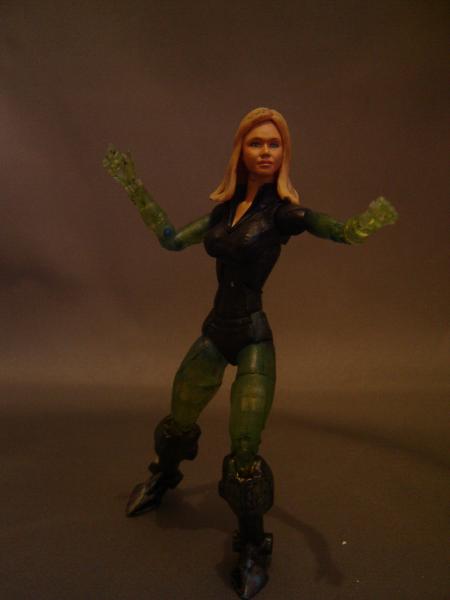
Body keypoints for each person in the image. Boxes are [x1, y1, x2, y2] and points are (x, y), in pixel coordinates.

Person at [103, 107, 398, 600]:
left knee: (245, 449)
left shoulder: (282, 214)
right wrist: (134, 187)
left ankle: (254, 543)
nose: (265, 151)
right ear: (240, 150)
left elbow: (330, 227)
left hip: (253, 336)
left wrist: (359, 227)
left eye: (274, 144)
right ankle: (163, 476)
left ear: (284, 154)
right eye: (256, 142)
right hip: (216, 331)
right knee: (179, 416)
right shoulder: (224, 212)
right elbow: (171, 240)